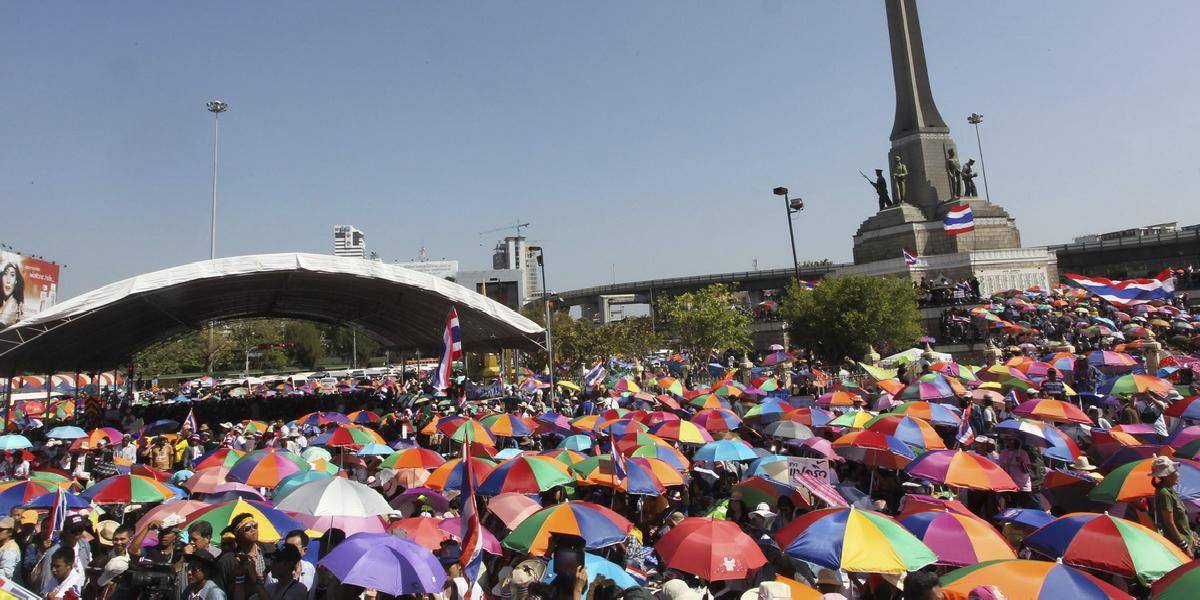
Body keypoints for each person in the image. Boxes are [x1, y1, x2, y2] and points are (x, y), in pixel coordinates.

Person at [1152, 456, 1197, 557]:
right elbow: (1169, 523)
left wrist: (1191, 537)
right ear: (1168, 475)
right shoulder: (1164, 493)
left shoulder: (1171, 490)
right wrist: (1184, 546)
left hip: (1186, 541)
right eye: (1175, 471)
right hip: (1178, 546)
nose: (1178, 474)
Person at [0, 262, 24, 328]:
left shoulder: (13, 304)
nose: (8, 280)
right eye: (5, 274)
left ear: (16, 281)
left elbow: (2, 323)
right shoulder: (4, 301)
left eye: (12, 275)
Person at [0, 517, 19, 583]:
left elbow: (7, 573)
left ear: (10, 532)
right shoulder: (3, 545)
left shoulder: (10, 549)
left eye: (1, 529)